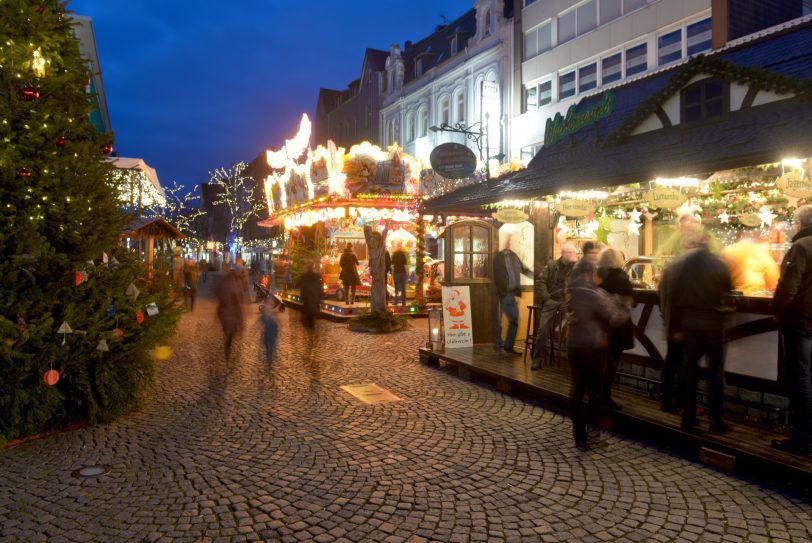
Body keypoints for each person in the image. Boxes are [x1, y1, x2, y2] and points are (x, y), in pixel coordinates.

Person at [670, 228, 733, 434]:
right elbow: (728, 289)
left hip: (690, 324)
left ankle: (688, 418)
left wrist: (675, 327)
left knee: (690, 373)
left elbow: (675, 295)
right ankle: (716, 420)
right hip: (713, 325)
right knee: (715, 375)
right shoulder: (719, 263)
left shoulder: (684, 264)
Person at [565, 259, 624, 447]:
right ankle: (592, 436)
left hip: (574, 346)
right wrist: (616, 303)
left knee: (577, 389)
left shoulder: (570, 292)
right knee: (595, 392)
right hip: (592, 346)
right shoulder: (595, 295)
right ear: (588, 274)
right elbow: (614, 317)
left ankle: (579, 435)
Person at [772, 204, 812, 457]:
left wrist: (778, 310)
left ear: (799, 223)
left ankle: (803, 438)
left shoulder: (801, 246)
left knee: (800, 379)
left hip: (800, 322)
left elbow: (788, 287)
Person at [597, 247, 635, 410]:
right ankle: (605, 395)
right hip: (616, 326)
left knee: (598, 361)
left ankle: (593, 391)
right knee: (612, 361)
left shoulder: (597, 274)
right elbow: (633, 299)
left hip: (598, 324)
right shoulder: (621, 277)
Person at [531, 243, 577, 369]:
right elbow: (540, 281)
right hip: (552, 299)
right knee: (543, 327)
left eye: (573, 253)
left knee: (575, 325)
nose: (572, 255)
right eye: (570, 253)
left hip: (566, 301)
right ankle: (538, 359)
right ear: (563, 253)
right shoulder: (552, 265)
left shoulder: (576, 268)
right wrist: (546, 297)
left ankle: (571, 358)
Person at [493, 236, 531, 355]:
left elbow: (524, 269)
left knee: (513, 320)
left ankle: (507, 347)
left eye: (510, 240)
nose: (509, 243)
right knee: (505, 320)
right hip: (504, 293)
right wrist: (500, 290)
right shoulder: (498, 257)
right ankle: (501, 346)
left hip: (512, 293)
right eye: (507, 240)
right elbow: (495, 274)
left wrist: (540, 274)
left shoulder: (514, 256)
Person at [721, 231, 779, 295]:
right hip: (755, 297)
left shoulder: (727, 250)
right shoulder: (761, 252)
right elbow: (773, 282)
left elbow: (721, 276)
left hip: (732, 297)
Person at [214, 268, 244, 359]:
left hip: (222, 311)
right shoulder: (234, 285)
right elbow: (237, 305)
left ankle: (228, 347)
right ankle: (228, 349)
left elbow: (217, 291)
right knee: (231, 332)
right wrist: (241, 321)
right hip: (230, 312)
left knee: (228, 331)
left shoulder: (224, 281)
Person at [299, 259, 323, 361]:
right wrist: (320, 297)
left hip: (308, 298)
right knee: (312, 316)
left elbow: (303, 288)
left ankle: (310, 335)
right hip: (314, 298)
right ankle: (311, 335)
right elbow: (320, 287)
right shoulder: (317, 276)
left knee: (309, 316)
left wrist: (302, 297)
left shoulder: (304, 276)